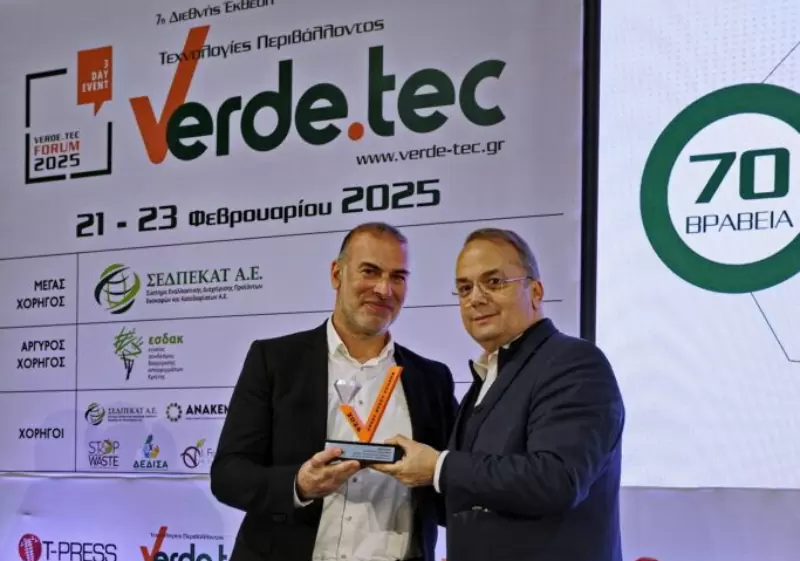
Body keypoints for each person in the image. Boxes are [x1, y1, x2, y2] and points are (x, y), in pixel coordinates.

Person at [372, 227, 625, 561]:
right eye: (465, 288)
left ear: (535, 292)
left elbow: (556, 480)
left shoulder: (573, 362)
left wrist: (438, 467)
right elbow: (472, 496)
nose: (476, 298)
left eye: (494, 282)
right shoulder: (488, 376)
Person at [210, 222, 458, 561]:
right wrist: (298, 485)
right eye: (370, 271)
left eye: (398, 277)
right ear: (336, 274)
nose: (384, 289)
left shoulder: (432, 379)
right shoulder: (275, 361)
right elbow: (228, 475)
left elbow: (450, 490)